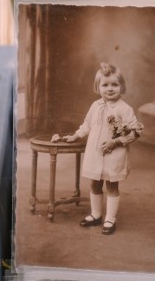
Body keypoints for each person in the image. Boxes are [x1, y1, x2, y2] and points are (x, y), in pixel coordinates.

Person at [58, 63, 143, 235]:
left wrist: (116, 142)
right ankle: (96, 214)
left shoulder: (124, 109)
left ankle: (110, 219)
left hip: (114, 153)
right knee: (94, 183)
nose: (110, 89)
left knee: (111, 185)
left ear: (121, 86)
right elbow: (87, 125)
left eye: (114, 85)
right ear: (98, 87)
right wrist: (76, 135)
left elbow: (135, 132)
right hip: (95, 152)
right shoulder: (95, 105)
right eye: (105, 85)